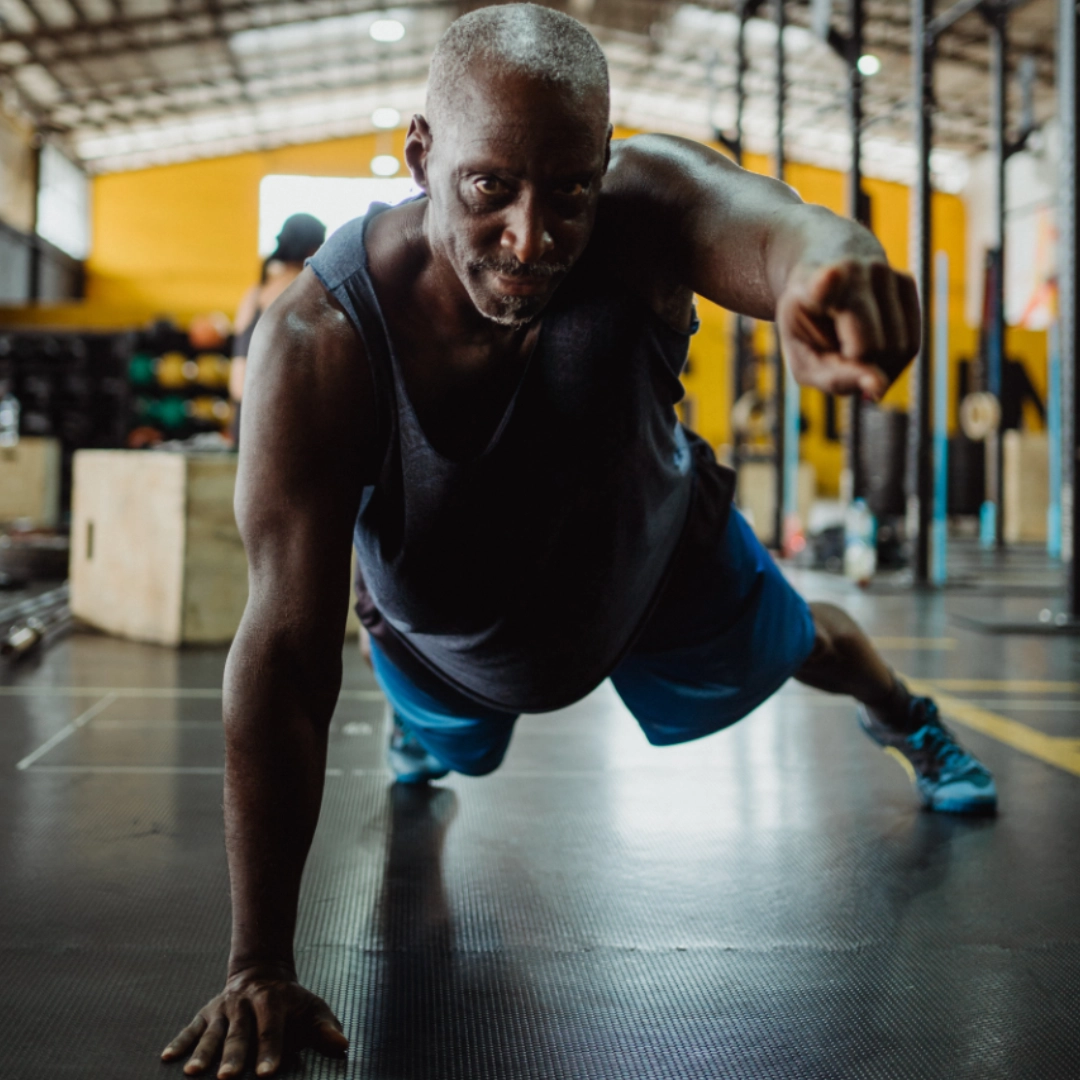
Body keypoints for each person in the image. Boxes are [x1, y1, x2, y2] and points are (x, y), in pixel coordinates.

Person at [162, 6, 996, 1077]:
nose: (532, 237)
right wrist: (256, 962)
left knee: (818, 647)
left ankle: (914, 724)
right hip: (448, 616)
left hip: (648, 548)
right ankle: (426, 727)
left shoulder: (642, 208)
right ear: (422, 156)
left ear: (604, 162)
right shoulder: (319, 341)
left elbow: (763, 220)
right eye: (487, 190)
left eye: (569, 192)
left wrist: (833, 266)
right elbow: (279, 653)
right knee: (453, 740)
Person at [228, 213, 327, 443]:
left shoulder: (255, 291)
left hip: (242, 415)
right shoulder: (304, 286)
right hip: (273, 415)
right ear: (314, 248)